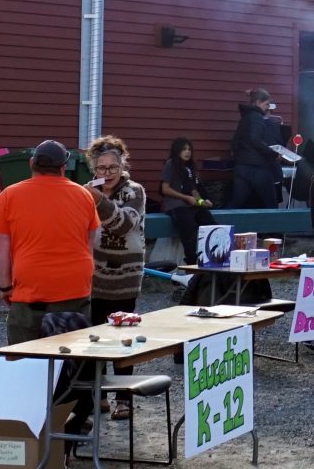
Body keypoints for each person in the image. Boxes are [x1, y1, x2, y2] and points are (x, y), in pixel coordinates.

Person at [0, 139, 103, 432]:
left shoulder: (9, 195)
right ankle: (74, 417)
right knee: (73, 357)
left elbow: (2, 249)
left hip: (30, 287)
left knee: (23, 356)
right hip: (74, 286)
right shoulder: (83, 195)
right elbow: (91, 242)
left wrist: (5, 287)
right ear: (64, 166)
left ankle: (27, 418)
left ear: (32, 164)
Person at [85, 138, 150, 356]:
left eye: (113, 167)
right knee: (94, 340)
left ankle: (124, 378)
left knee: (123, 339)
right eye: (101, 168)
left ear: (122, 166)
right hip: (94, 277)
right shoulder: (88, 190)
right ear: (94, 169)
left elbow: (123, 225)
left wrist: (99, 200)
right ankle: (98, 378)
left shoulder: (134, 191)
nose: (108, 173)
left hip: (126, 276)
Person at [228, 89, 288, 209]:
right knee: (271, 205)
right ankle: (275, 223)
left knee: (236, 203)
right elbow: (255, 140)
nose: (268, 108)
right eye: (267, 104)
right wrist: (274, 154)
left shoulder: (245, 118)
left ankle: (219, 220)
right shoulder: (257, 118)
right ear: (258, 102)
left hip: (241, 167)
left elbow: (235, 142)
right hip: (258, 167)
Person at [159, 136, 215, 264]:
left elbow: (194, 191)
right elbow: (165, 189)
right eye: (184, 149)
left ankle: (213, 259)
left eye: (189, 149)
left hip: (192, 205)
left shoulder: (190, 167)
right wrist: (186, 198)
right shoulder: (171, 164)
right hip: (176, 205)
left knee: (211, 224)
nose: (187, 152)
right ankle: (191, 263)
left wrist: (202, 201)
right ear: (177, 150)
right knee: (190, 229)